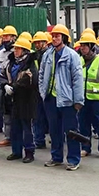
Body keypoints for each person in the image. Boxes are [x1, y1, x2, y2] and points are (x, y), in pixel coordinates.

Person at [38, 24, 85, 171]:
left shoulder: (72, 55)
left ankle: (73, 159)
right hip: (50, 99)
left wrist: (78, 100)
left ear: (64, 38)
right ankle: (56, 157)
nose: (54, 38)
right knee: (54, 130)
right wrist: (43, 92)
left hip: (67, 100)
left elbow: (78, 79)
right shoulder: (47, 55)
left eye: (57, 36)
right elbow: (41, 74)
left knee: (71, 131)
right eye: (53, 36)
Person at [5, 35, 39, 163]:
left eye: (18, 49)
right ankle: (16, 151)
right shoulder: (12, 62)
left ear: (24, 51)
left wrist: (13, 87)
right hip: (14, 99)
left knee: (27, 127)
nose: (15, 51)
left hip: (27, 100)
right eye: (15, 49)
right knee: (15, 127)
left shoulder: (30, 64)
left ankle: (29, 152)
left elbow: (30, 80)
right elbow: (3, 75)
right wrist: (5, 85)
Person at [77, 31, 99, 160]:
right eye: (81, 46)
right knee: (83, 124)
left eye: (85, 45)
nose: (82, 48)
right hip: (83, 99)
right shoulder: (79, 61)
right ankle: (85, 148)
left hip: (98, 100)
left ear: (91, 46)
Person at [0, 25, 18, 146]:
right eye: (3, 37)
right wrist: (4, 85)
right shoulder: (1, 53)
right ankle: (8, 137)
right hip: (4, 85)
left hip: (17, 86)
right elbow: (0, 71)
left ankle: (18, 137)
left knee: (18, 114)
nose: (5, 39)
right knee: (6, 113)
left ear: (14, 37)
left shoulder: (18, 50)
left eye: (7, 36)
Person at [32, 31, 50, 150]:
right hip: (36, 90)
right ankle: (39, 141)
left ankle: (56, 138)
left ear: (45, 43)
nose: (37, 45)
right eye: (36, 43)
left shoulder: (50, 55)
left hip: (48, 90)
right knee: (37, 116)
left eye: (40, 42)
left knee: (51, 117)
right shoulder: (34, 56)